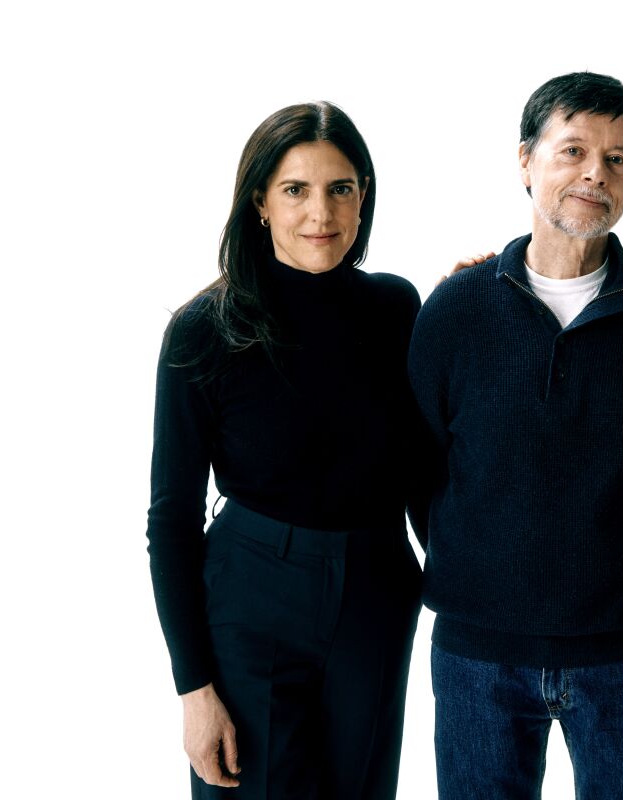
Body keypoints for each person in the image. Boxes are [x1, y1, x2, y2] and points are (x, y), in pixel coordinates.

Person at [407, 71, 623, 800]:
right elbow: (419, 470)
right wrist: (482, 564)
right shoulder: (454, 312)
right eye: (572, 149)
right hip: (478, 652)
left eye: (618, 158)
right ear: (525, 161)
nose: (594, 173)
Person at [147, 102, 424, 799]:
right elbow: (171, 520)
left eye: (341, 189)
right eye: (295, 190)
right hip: (253, 596)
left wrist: (475, 301)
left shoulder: (398, 310)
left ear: (364, 197)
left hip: (375, 592)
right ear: (260, 203)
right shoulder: (203, 330)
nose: (320, 213)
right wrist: (193, 690)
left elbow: (427, 460)